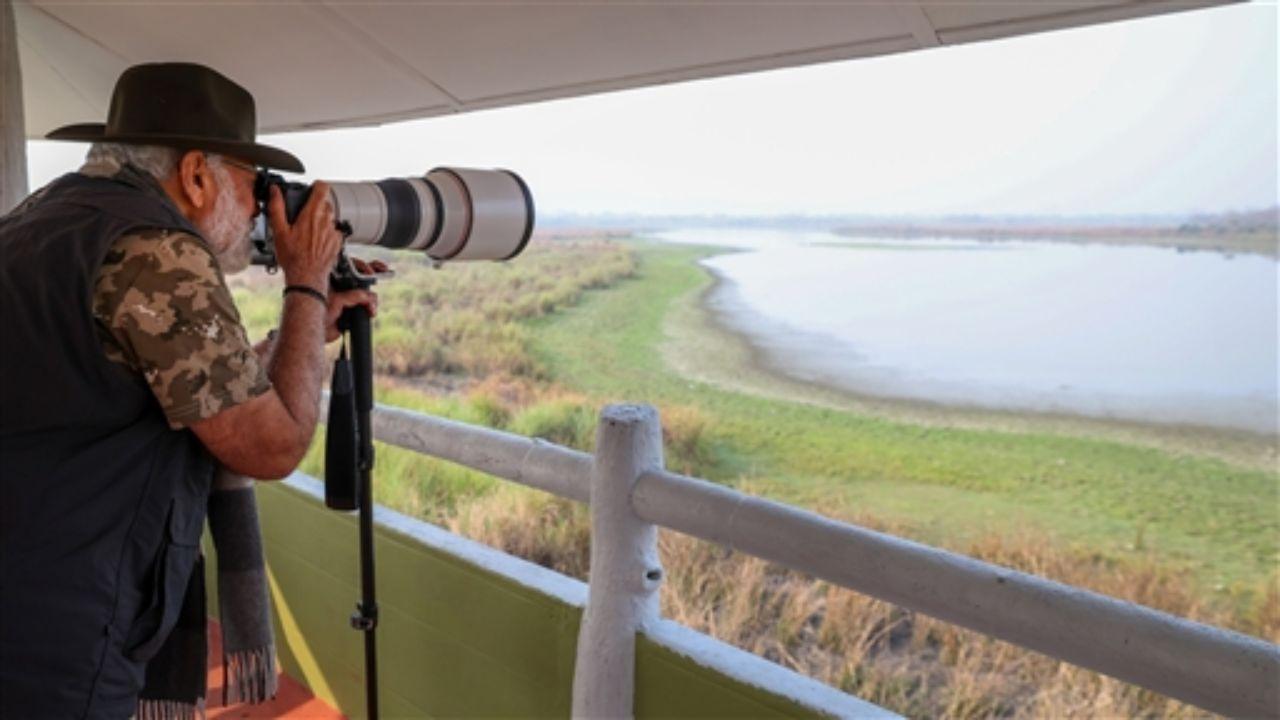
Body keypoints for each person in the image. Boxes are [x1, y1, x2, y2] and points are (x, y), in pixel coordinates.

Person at [0, 62, 376, 717]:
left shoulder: (43, 219)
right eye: (253, 184)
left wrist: (303, 330)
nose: (262, 207)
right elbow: (270, 445)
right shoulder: (156, 251)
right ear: (198, 175)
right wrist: (306, 282)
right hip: (65, 628)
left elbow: (178, 384)